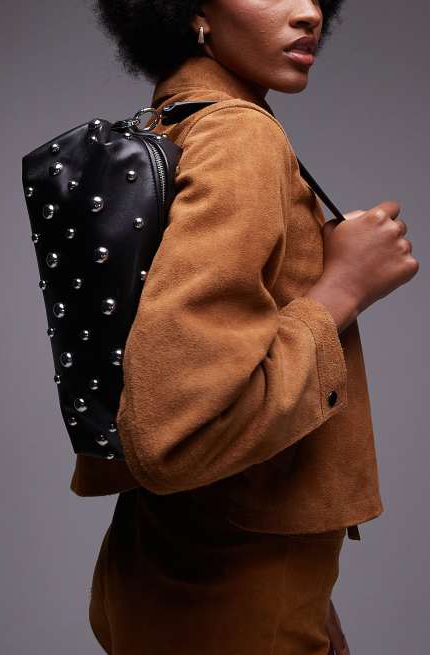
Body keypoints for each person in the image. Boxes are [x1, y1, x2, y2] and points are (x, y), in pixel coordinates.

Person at [70, 1, 420, 653]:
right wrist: (344, 287)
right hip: (226, 593)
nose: (308, 13)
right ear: (194, 10)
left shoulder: (169, 122)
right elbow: (177, 433)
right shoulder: (238, 135)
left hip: (166, 559)